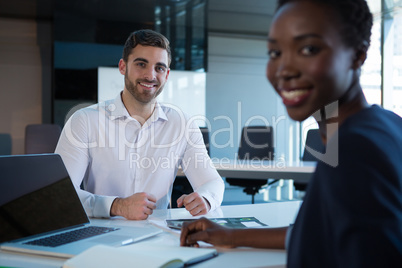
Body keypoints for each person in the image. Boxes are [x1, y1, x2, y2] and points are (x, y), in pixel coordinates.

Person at [180, 0, 402, 267]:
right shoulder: (385, 124)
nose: (284, 70)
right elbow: (320, 232)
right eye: (275, 53)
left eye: (308, 49)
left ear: (357, 54)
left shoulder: (353, 151)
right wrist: (231, 235)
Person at [55, 29, 224, 221]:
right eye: (141, 64)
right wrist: (118, 206)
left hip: (159, 236)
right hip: (102, 234)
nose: (150, 75)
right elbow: (60, 194)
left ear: (167, 74)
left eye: (159, 68)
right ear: (122, 67)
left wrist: (205, 198)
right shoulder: (84, 120)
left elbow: (212, 182)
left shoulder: (182, 124)